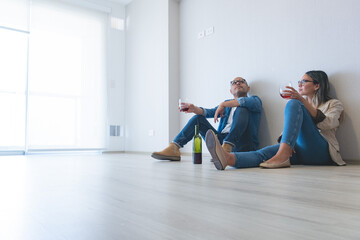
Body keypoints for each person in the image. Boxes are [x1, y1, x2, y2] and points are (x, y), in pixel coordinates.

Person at [205, 70, 345, 170]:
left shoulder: (333, 104)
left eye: (304, 81)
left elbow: (327, 124)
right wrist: (288, 143)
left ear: (317, 85)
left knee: (293, 103)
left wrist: (301, 100)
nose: (300, 84)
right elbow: (291, 129)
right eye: (299, 81)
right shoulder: (300, 106)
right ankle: (228, 158)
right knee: (264, 153)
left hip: (322, 152)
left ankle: (283, 154)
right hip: (298, 151)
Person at [151, 77, 262, 161]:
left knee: (242, 108)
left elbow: (244, 102)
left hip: (243, 144)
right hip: (221, 142)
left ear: (248, 88)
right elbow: (209, 112)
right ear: (230, 91)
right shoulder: (226, 106)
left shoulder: (255, 100)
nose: (237, 83)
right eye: (234, 82)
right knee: (198, 118)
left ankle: (226, 148)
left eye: (241, 81)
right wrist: (194, 108)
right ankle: (174, 148)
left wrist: (223, 104)